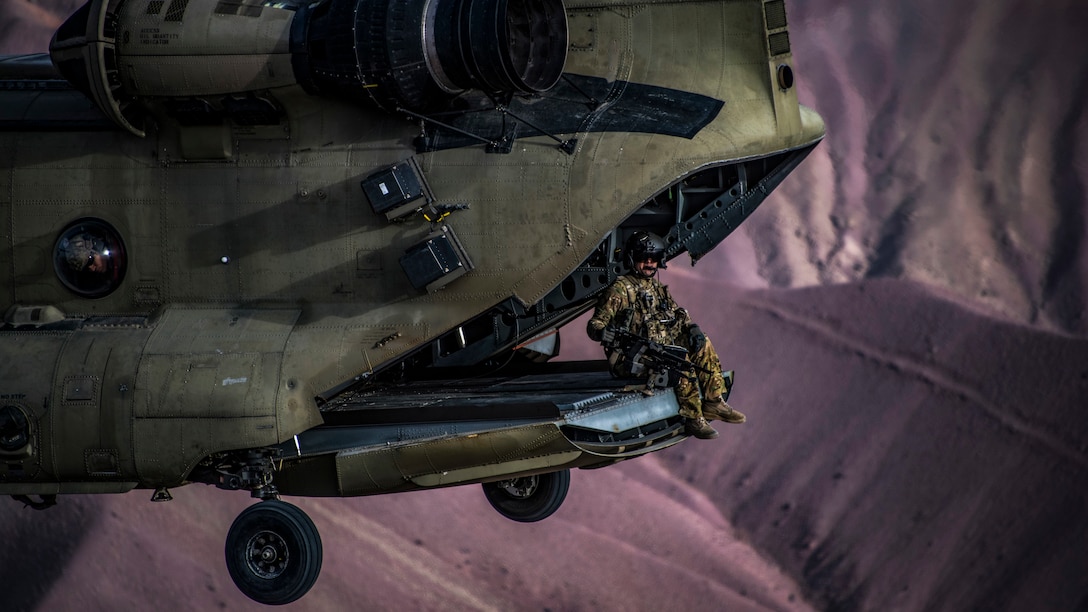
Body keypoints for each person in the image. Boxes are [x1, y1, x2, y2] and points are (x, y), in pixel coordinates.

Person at [587, 231, 745, 440]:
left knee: (701, 343)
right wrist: (604, 333)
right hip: (632, 357)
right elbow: (595, 325)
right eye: (644, 258)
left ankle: (714, 401)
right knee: (681, 361)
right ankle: (693, 418)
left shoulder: (658, 289)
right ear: (633, 258)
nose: (650, 263)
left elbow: (676, 316)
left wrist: (692, 329)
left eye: (654, 258)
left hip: (661, 349)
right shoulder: (620, 290)